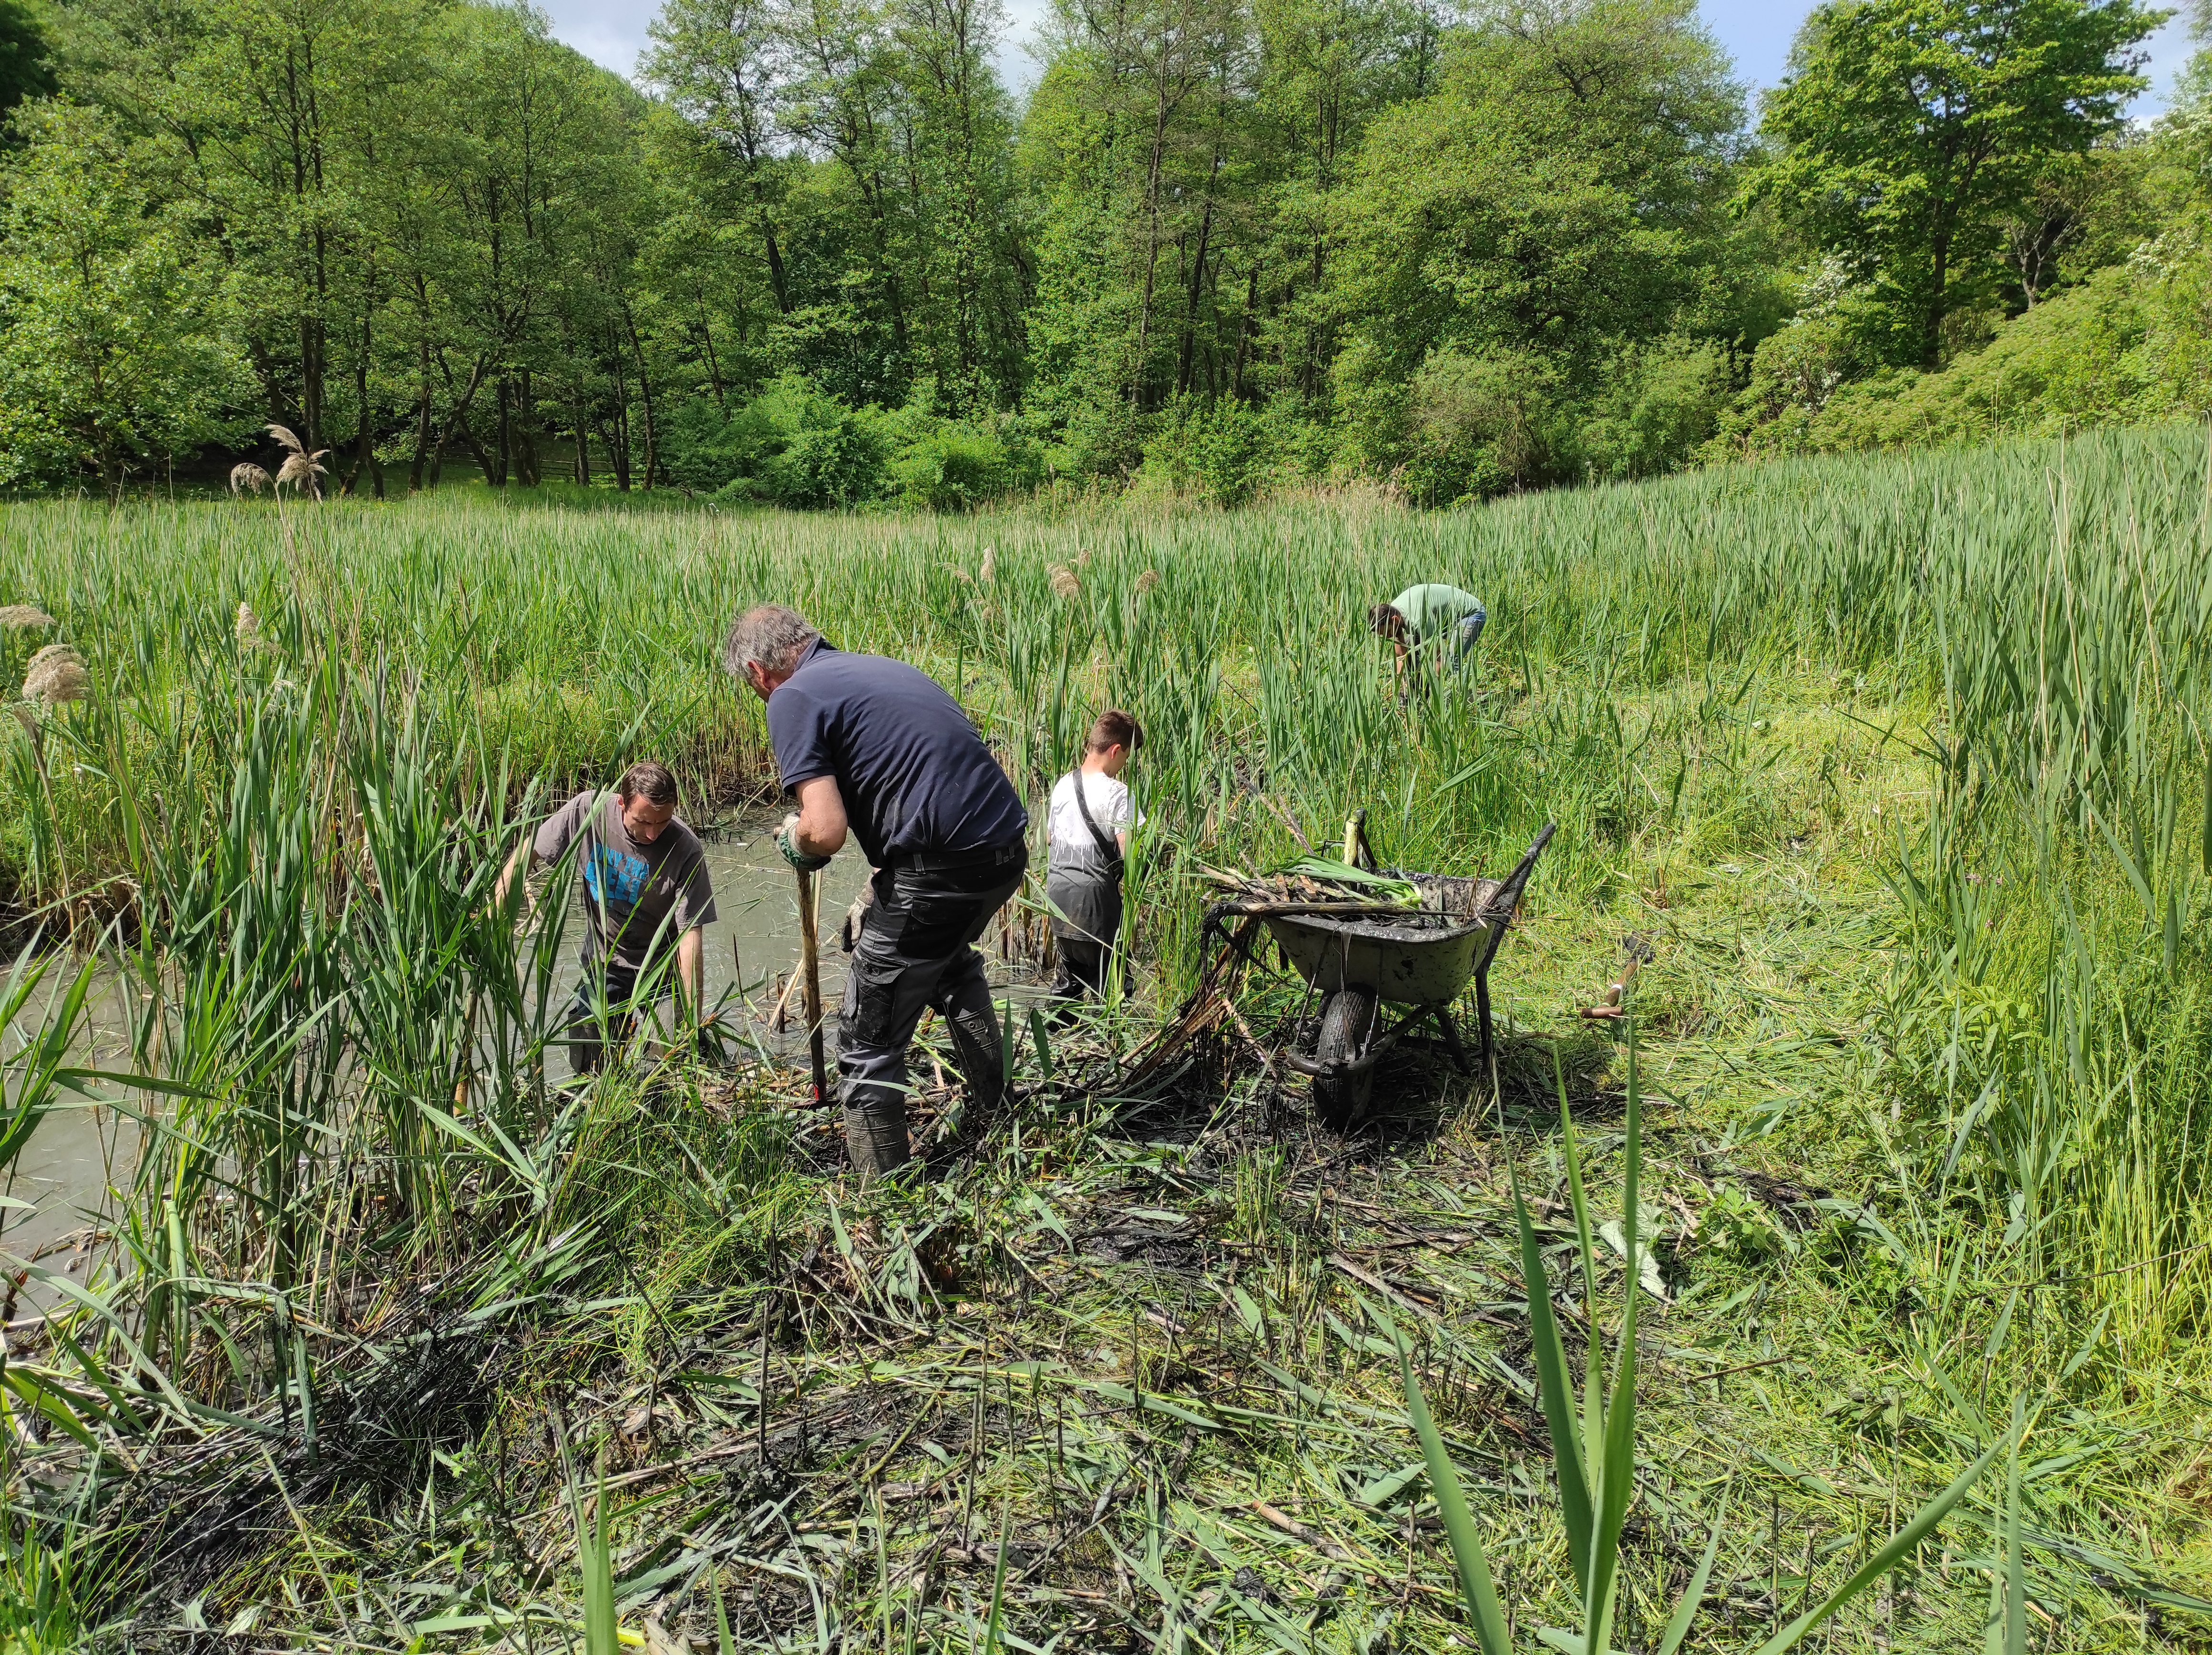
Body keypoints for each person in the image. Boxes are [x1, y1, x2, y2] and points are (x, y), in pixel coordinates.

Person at [723, 603, 1029, 1181]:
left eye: (752, 686)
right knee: (948, 966)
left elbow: (825, 829)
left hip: (939, 871)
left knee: (865, 1041)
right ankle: (997, 1117)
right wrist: (877, 888)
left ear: (760, 672)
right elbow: (930, 787)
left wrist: (796, 839)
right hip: (1003, 853)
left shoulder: (792, 697)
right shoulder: (884, 668)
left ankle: (882, 1200)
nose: (759, 694)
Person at [495, 760, 718, 1073]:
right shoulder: (587, 813)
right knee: (587, 1050)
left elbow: (691, 937)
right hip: (605, 959)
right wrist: (496, 908)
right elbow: (527, 854)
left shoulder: (686, 849)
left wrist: (691, 1016)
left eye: (663, 822)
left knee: (664, 1064)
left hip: (661, 971)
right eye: (644, 822)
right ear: (621, 803)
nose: (653, 834)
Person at [1045, 710, 1143, 1005]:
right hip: (1096, 906)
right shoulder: (1117, 793)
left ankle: (1049, 1044)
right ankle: (1113, 1048)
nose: (1124, 765)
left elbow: (1050, 840)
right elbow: (1131, 854)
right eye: (1126, 757)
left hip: (1058, 900)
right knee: (1115, 990)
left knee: (1068, 987)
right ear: (1115, 750)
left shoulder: (1063, 785)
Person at [1369, 583, 1487, 684]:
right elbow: (1401, 656)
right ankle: (1415, 689)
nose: (1388, 637)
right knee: (1410, 651)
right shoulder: (1392, 611)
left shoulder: (1418, 620)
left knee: (1450, 661)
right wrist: (1401, 685)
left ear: (1395, 619)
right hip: (1443, 620)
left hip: (1470, 615)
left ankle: (1457, 697)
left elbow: (1438, 656)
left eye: (1388, 632)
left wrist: (1435, 691)